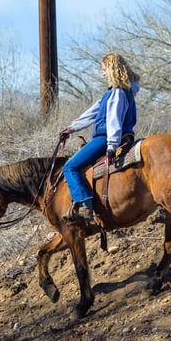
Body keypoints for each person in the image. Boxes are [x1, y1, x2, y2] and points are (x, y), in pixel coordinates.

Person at [59, 52, 141, 222]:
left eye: (104, 70)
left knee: (70, 167)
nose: (103, 74)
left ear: (112, 70)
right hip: (118, 137)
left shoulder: (117, 92)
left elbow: (113, 120)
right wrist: (71, 128)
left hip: (105, 138)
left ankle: (84, 206)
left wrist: (111, 145)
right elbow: (92, 113)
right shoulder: (116, 92)